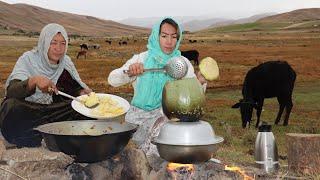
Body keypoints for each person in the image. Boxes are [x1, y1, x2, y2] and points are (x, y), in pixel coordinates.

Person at [108, 17, 206, 156]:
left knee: (171, 135)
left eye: (174, 36)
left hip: (165, 118)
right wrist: (129, 72)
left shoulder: (182, 64)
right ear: (156, 36)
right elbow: (112, 79)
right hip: (136, 120)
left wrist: (200, 83)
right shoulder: (141, 59)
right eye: (164, 36)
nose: (169, 41)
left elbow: (193, 100)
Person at [0, 23, 92, 147]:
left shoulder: (66, 63)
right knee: (10, 107)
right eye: (53, 42)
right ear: (44, 42)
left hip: (55, 113)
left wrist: (81, 93)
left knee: (84, 108)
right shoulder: (28, 59)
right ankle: (54, 137)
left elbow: (73, 89)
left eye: (63, 43)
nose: (58, 48)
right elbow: (12, 91)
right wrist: (33, 81)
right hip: (30, 112)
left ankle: (51, 137)